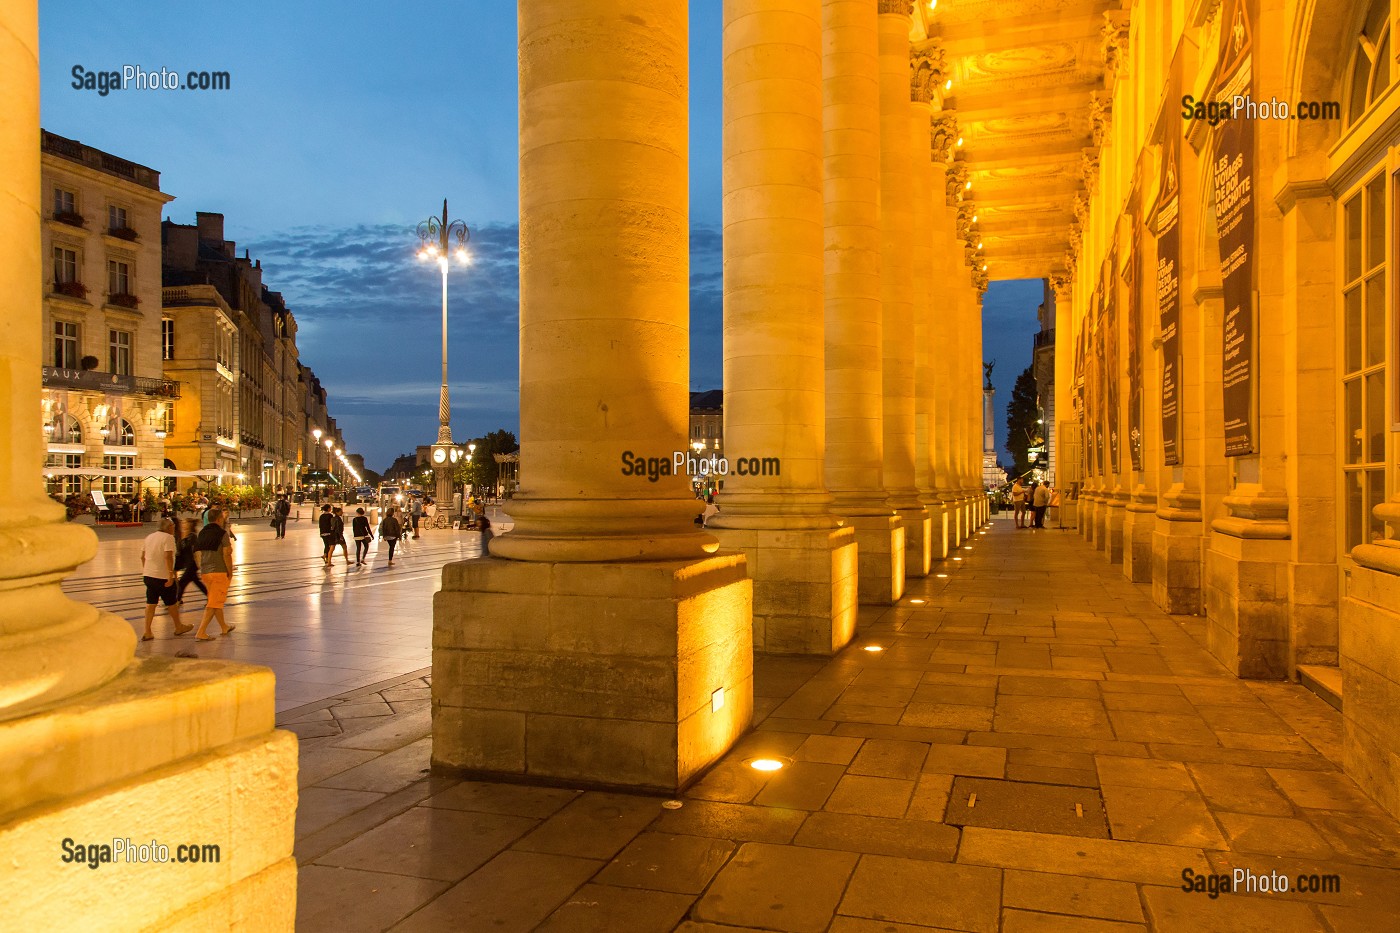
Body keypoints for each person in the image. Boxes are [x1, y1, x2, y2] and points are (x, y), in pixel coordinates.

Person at [140, 518, 192, 640]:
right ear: (169, 527)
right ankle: (178, 627)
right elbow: (168, 556)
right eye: (173, 526)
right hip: (162, 577)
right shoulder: (168, 538)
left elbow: (142, 556)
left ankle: (147, 631)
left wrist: (147, 570)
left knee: (151, 603)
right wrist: (171, 574)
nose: (174, 528)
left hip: (148, 575)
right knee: (172, 603)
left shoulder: (150, 537)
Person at [193, 508, 236, 641]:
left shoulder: (202, 533)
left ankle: (224, 626)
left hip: (206, 573)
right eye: (222, 518)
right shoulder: (222, 533)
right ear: (218, 519)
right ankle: (201, 632)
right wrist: (230, 571)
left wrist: (202, 566)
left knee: (215, 599)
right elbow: (226, 554)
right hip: (219, 572)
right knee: (213, 603)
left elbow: (196, 553)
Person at [174, 517, 207, 605]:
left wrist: (199, 564)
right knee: (196, 582)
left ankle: (177, 600)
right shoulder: (183, 535)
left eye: (185, 523)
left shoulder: (192, 536)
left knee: (182, 582)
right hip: (188, 564)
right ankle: (210, 596)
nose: (183, 524)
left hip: (192, 564)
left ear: (190, 525)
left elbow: (196, 551)